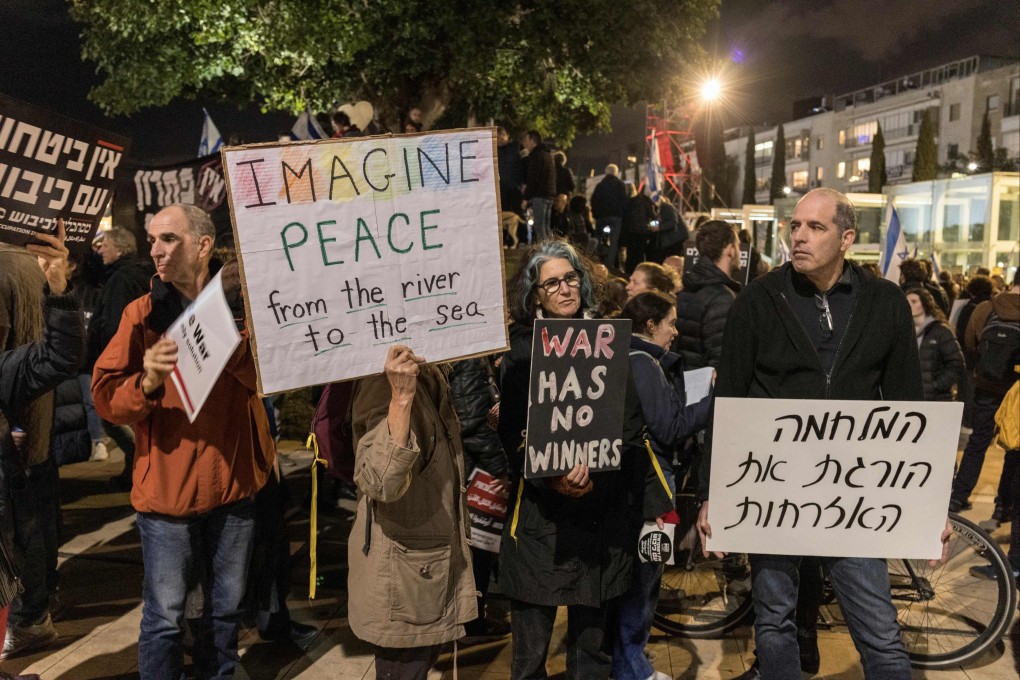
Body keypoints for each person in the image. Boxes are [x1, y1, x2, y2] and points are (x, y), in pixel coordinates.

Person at [697, 188, 950, 680]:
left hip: (852, 492)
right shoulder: (757, 299)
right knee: (774, 621)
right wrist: (713, 494)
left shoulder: (884, 302)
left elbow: (906, 404)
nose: (799, 237)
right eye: (795, 226)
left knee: (879, 630)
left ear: (847, 238)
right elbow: (727, 402)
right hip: (770, 488)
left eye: (815, 227)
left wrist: (929, 503)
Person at [92, 204, 276, 678]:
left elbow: (269, 378)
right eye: (152, 239)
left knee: (225, 612)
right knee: (165, 619)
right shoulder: (144, 312)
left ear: (202, 245)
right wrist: (147, 384)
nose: (155, 249)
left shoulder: (246, 305)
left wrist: (225, 326)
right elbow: (107, 397)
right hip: (167, 495)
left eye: (168, 238)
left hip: (234, 488)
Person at [498, 240, 656, 680]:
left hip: (598, 523)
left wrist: (597, 478)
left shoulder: (609, 342)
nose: (565, 289)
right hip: (539, 524)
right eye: (552, 283)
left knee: (592, 657)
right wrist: (551, 478)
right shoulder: (521, 352)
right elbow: (511, 434)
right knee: (529, 661)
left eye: (570, 278)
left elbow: (628, 428)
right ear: (535, 295)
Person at [346, 345, 476, 679]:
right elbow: (379, 482)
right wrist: (401, 398)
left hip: (424, 569)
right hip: (403, 577)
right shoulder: (383, 378)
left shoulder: (432, 368)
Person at [612, 291, 710, 680]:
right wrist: (711, 400)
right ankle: (632, 669)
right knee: (643, 581)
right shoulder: (643, 361)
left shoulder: (626, 355)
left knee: (636, 579)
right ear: (650, 325)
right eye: (670, 323)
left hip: (638, 484)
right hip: (652, 487)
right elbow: (668, 427)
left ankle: (629, 663)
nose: (675, 331)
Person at [0, 221, 80, 680]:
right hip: (29, 434)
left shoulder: (10, 265)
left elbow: (54, 357)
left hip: (22, 439)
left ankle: (31, 613)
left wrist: (58, 286)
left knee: (26, 528)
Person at [448, 357, 511, 642]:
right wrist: (500, 468)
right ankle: (473, 620)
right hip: (474, 469)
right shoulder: (469, 358)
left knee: (475, 548)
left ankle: (470, 615)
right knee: (478, 548)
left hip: (465, 465)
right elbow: (471, 421)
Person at [86, 226, 153, 488]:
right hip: (138, 358)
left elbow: (114, 324)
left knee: (112, 414)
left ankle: (142, 465)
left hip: (122, 361)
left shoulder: (122, 279)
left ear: (121, 250)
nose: (100, 249)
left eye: (105, 245)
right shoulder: (135, 274)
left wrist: (105, 355)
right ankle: (134, 468)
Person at [949, 269, 1019, 515]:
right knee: (1015, 448)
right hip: (1016, 391)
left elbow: (969, 341)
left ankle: (959, 496)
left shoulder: (987, 307)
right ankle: (1003, 505)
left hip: (986, 385)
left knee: (978, 441)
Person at [672, 220, 741, 369]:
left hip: (685, 382)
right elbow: (721, 358)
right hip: (705, 387)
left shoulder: (687, 289)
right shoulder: (721, 298)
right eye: (738, 245)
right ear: (730, 250)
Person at [905, 287, 965, 401]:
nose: (909, 305)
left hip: (936, 399)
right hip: (911, 397)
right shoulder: (904, 331)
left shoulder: (941, 331)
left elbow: (957, 364)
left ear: (925, 303)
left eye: (914, 301)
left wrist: (937, 386)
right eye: (907, 302)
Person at [590, 164, 628, 271]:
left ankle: (595, 262)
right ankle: (609, 266)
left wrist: (595, 214)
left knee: (597, 239)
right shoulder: (620, 185)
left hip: (601, 217)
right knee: (613, 242)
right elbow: (624, 201)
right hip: (616, 217)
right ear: (616, 173)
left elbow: (594, 200)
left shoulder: (600, 185)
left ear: (606, 172)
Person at [522, 131, 556, 242]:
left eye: (526, 140)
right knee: (546, 227)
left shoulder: (536, 156)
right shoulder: (547, 155)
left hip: (540, 195)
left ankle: (546, 253)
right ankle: (550, 249)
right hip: (549, 194)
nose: (525, 144)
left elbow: (533, 179)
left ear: (532, 141)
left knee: (539, 227)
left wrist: (526, 198)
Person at [621, 186, 656, 276]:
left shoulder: (632, 200)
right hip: (642, 232)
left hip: (631, 231)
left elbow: (626, 216)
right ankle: (637, 272)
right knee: (639, 254)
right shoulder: (647, 201)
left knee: (631, 253)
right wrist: (653, 226)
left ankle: (628, 272)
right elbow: (652, 216)